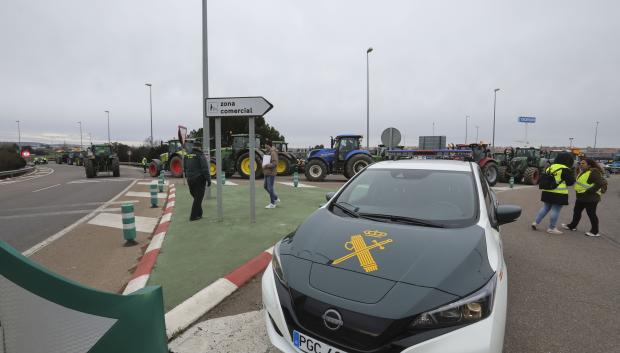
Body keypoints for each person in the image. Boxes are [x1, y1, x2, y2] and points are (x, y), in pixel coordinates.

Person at [532, 152, 576, 234]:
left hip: (547, 191)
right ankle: (551, 228)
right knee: (555, 210)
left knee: (545, 208)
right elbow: (570, 182)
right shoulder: (565, 169)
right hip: (559, 193)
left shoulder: (550, 167)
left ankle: (536, 222)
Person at [561, 158, 605, 237]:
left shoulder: (593, 172)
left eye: (583, 163)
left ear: (589, 165)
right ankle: (572, 226)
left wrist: (589, 191)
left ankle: (595, 231)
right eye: (580, 163)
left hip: (591, 198)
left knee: (591, 214)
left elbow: (599, 183)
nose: (581, 165)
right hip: (582, 197)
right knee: (576, 211)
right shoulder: (583, 172)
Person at [183, 144, 211, 221]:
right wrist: (208, 179)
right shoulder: (200, 155)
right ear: (199, 147)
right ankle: (193, 216)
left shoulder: (187, 155)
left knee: (196, 198)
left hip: (190, 179)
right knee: (198, 198)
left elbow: (184, 167)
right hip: (199, 179)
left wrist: (188, 176)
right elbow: (204, 168)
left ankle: (199, 213)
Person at [263, 141, 280, 209]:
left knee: (270, 188)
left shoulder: (273, 152)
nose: (265, 147)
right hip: (267, 172)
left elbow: (275, 163)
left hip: (271, 173)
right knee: (265, 187)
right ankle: (275, 197)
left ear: (269, 145)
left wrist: (266, 165)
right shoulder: (268, 152)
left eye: (266, 146)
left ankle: (272, 203)